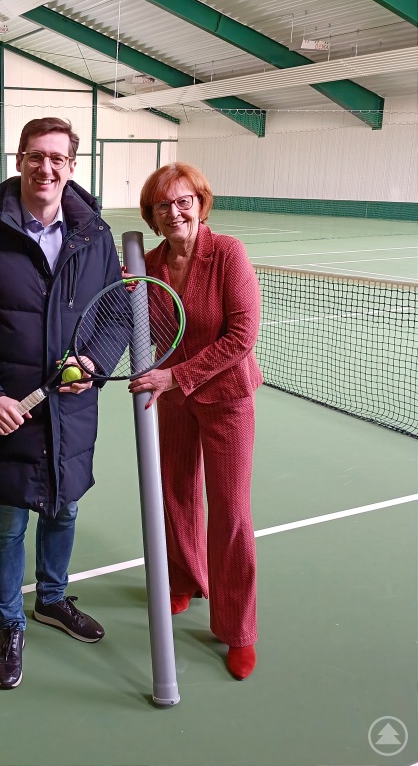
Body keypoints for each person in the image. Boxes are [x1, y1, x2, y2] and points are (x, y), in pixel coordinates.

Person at [0, 118, 121, 690]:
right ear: (19, 159)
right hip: (8, 413)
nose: (46, 168)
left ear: (72, 166)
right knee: (10, 520)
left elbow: (114, 314)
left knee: (64, 508)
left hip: (71, 409)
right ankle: (10, 621)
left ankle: (53, 598)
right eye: (36, 156)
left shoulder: (96, 236)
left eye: (58, 159)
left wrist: (94, 364)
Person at [128, 162, 262, 681]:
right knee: (176, 495)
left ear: (200, 205)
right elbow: (136, 322)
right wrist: (129, 295)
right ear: (153, 216)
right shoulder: (150, 264)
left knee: (231, 514)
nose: (176, 211)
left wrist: (176, 377)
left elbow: (241, 336)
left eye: (184, 201)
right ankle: (182, 579)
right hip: (174, 400)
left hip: (227, 397)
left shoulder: (227, 253)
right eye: (164, 205)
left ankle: (238, 629)